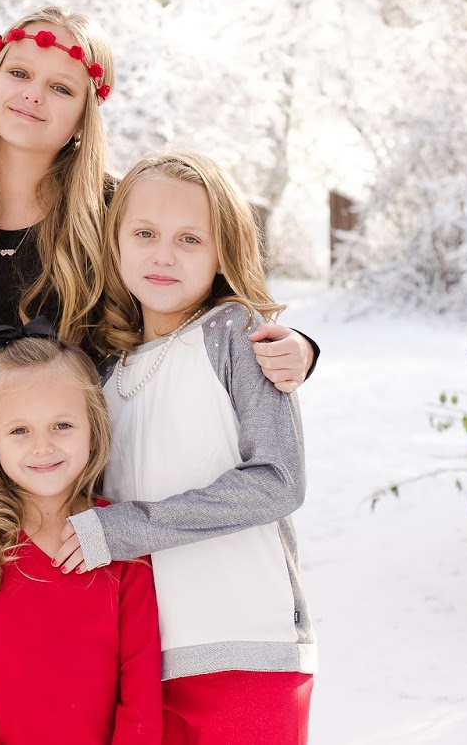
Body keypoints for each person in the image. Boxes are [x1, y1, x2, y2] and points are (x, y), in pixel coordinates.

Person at [0, 8, 319, 744]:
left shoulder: (107, 211)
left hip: (73, 510)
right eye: (19, 73)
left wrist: (297, 345)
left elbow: (187, 292)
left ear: (86, 112)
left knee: (68, 713)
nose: (33, 95)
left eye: (61, 87)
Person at [57, 152, 316, 744]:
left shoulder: (236, 334)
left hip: (247, 647)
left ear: (223, 250)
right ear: (115, 240)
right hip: (140, 663)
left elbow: (279, 481)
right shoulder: (102, 368)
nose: (163, 255)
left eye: (190, 239)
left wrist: (127, 528)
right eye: (144, 234)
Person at [0, 325, 162, 744]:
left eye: (62, 425)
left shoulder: (120, 541)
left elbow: (140, 681)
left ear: (93, 426)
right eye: (19, 430)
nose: (42, 447)